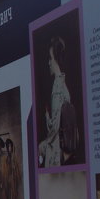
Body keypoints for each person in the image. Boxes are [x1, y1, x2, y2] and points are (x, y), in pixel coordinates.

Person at [38, 35, 74, 167]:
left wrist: (46, 115)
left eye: (50, 58)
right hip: (60, 148)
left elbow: (54, 128)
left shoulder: (57, 87)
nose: (49, 63)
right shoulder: (63, 85)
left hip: (56, 152)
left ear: (56, 60)